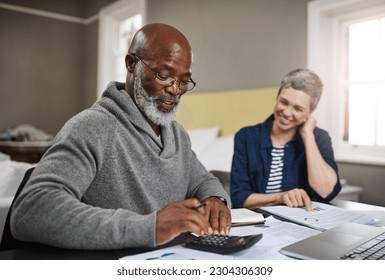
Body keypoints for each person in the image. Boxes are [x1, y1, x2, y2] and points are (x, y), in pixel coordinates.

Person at [11, 23, 231, 250]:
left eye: (184, 81)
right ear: (131, 64)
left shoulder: (178, 135)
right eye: (164, 75)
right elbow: (32, 209)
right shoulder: (92, 127)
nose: (175, 90)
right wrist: (150, 227)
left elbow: (204, 181)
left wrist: (216, 200)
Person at [230, 68, 341, 210]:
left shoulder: (320, 138)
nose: (287, 112)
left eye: (298, 109)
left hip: (303, 225)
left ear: (310, 112)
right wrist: (280, 197)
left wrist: (308, 135)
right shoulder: (246, 137)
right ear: (277, 97)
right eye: (284, 102)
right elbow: (240, 198)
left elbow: (326, 192)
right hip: (260, 223)